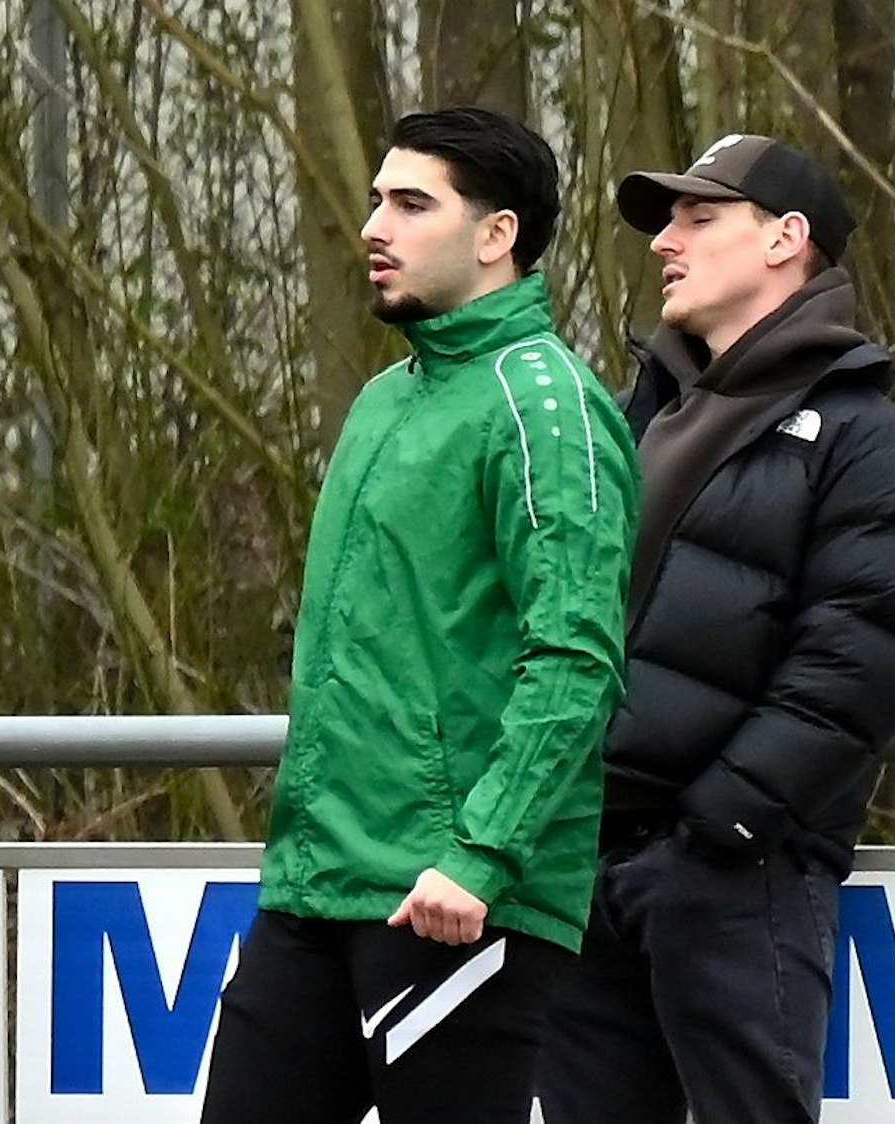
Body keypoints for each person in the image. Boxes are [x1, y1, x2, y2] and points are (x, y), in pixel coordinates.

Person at [196, 107, 639, 1124]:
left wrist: (481, 851)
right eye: (373, 198)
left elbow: (573, 654)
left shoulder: (546, 404)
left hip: (451, 897)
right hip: (316, 880)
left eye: (409, 201)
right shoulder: (384, 398)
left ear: (496, 234)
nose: (372, 225)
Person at [535, 135, 895, 1124]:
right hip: (578, 859)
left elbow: (852, 663)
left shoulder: (873, 449)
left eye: (697, 217)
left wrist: (715, 829)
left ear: (785, 239)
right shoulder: (624, 424)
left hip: (730, 872)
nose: (662, 244)